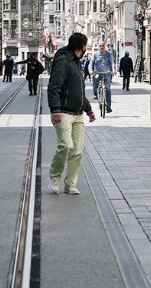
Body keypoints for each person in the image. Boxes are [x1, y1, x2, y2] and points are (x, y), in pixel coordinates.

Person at [47, 33, 96, 195]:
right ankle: (54, 177)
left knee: (77, 151)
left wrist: (88, 109)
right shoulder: (64, 61)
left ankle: (70, 184)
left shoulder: (76, 62)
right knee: (66, 145)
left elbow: (79, 90)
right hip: (63, 112)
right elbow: (54, 86)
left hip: (77, 113)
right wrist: (55, 109)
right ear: (82, 47)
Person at [90, 41, 114, 112]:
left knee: (108, 89)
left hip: (106, 73)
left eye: (103, 46)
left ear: (105, 46)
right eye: (100, 46)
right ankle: (95, 93)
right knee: (95, 80)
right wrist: (90, 70)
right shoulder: (95, 55)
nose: (101, 47)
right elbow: (91, 63)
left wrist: (113, 70)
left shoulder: (108, 54)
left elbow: (112, 63)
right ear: (98, 46)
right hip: (98, 73)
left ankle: (108, 106)